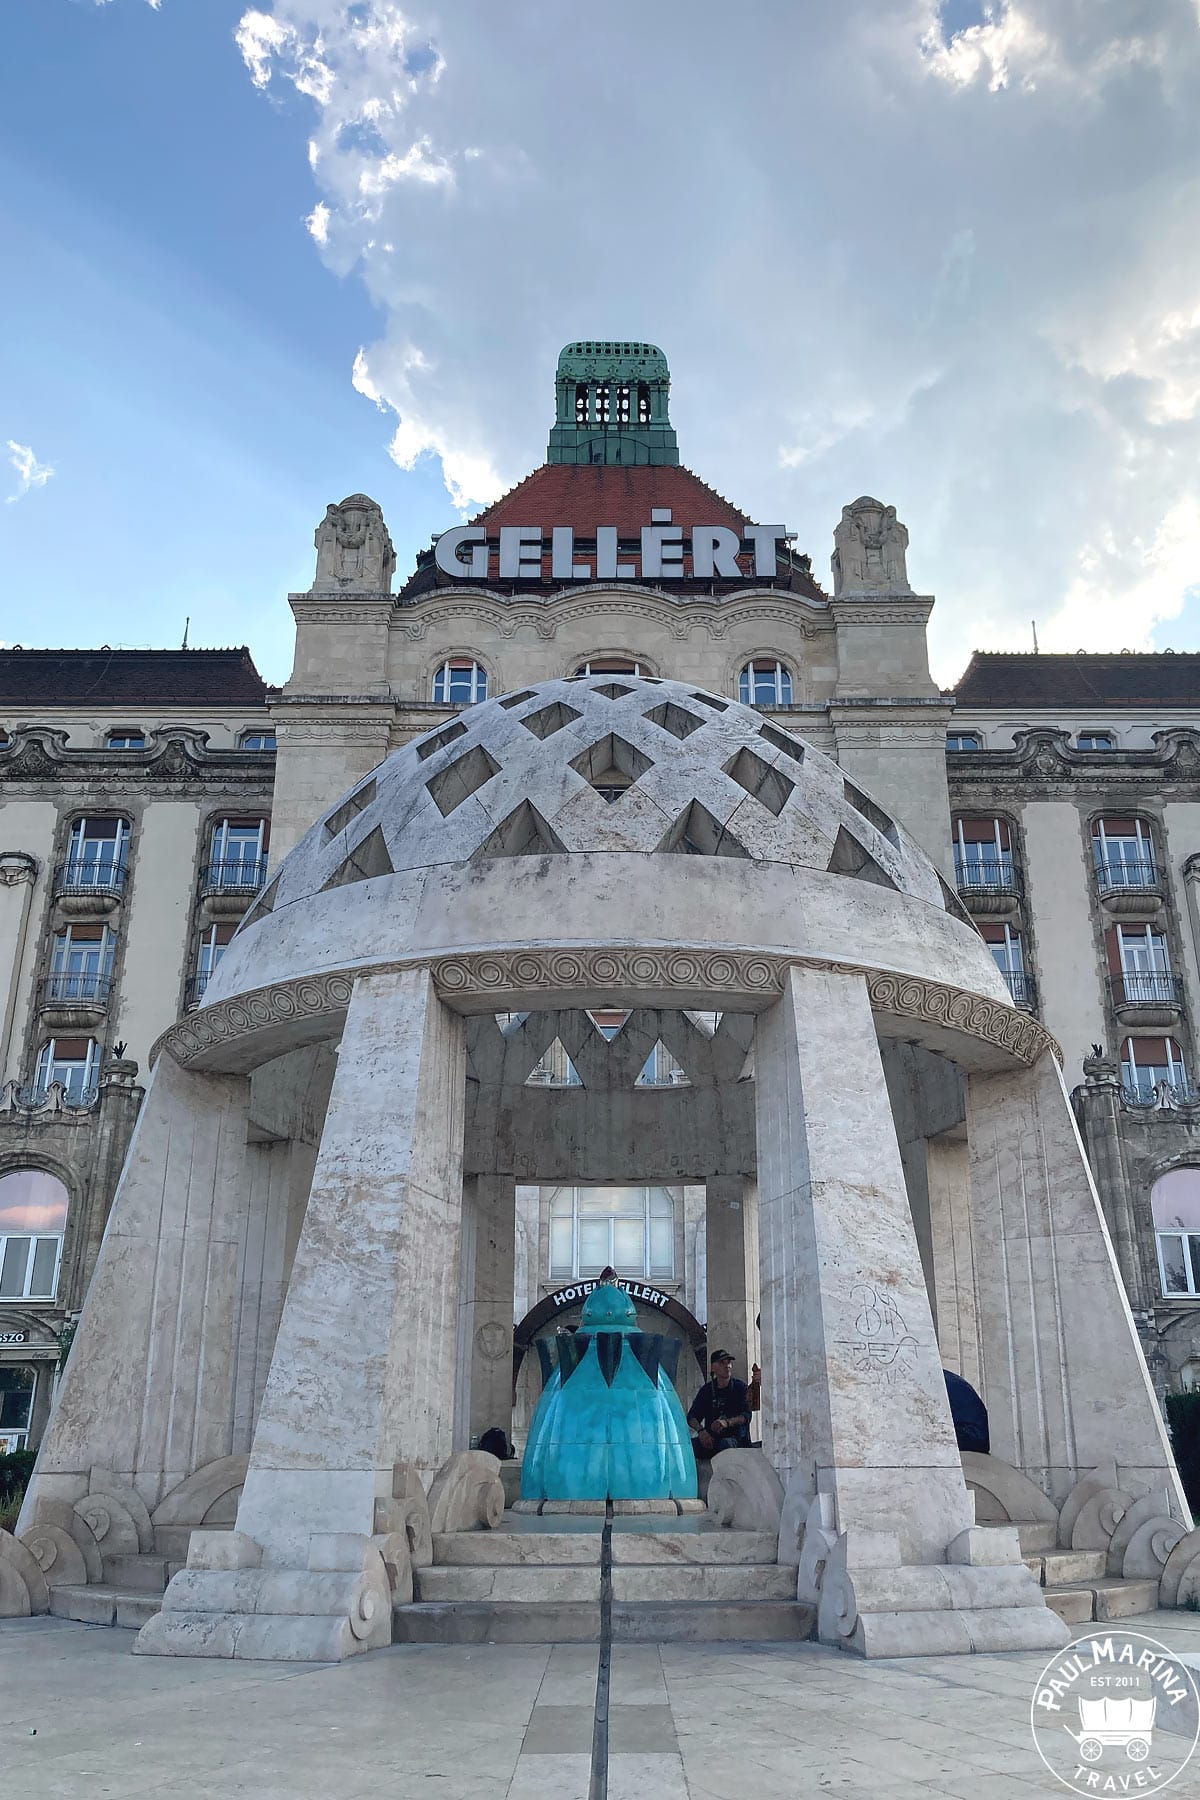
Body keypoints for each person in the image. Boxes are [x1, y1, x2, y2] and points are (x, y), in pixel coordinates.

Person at [687, 1349, 752, 1455]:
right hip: (712, 1440)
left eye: (729, 1362)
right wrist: (701, 1432)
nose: (727, 1366)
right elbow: (692, 1417)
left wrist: (727, 1422)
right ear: (713, 1367)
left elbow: (746, 1416)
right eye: (722, 1363)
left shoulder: (740, 1388)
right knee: (688, 1447)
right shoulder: (706, 1390)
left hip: (736, 1441)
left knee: (726, 1445)